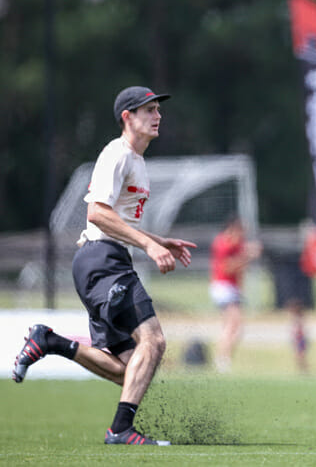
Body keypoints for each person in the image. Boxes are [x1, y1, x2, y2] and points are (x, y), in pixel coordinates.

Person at [11, 86, 197, 446]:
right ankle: (121, 431)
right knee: (154, 341)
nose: (157, 115)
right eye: (148, 110)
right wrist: (146, 244)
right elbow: (96, 213)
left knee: (131, 371)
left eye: (158, 109)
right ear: (127, 117)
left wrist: (157, 240)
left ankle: (49, 341)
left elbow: (114, 217)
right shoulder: (118, 153)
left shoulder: (137, 162)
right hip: (103, 260)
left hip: (101, 260)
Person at [209, 216, 263, 372]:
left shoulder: (237, 243)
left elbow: (240, 267)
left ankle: (223, 358)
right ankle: (222, 358)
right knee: (235, 325)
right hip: (224, 287)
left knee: (230, 326)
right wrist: (247, 256)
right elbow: (228, 268)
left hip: (232, 288)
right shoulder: (223, 244)